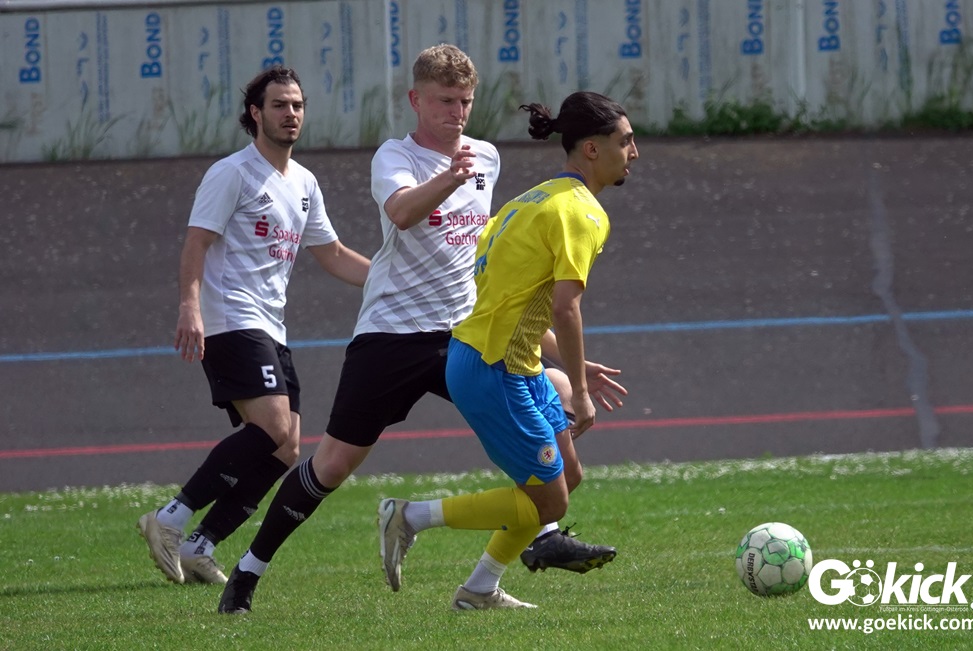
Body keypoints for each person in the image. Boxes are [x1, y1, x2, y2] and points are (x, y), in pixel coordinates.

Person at [218, 45, 622, 613]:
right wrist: (451, 179)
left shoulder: (485, 157)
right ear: (416, 100)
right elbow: (403, 212)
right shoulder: (396, 156)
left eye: (465, 102)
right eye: (443, 101)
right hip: (392, 335)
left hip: (464, 335)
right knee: (332, 465)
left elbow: (500, 283)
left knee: (553, 396)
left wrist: (565, 358)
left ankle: (510, 560)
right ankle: (248, 571)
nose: (456, 113)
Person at [377, 90, 639, 610]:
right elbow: (565, 307)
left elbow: (515, 301)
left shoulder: (530, 200)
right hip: (492, 367)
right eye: (625, 141)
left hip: (507, 360)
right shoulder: (581, 212)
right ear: (592, 148)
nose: (634, 151)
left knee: (567, 477)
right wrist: (580, 391)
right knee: (550, 501)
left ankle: (478, 590)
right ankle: (409, 516)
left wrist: (570, 364)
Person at [136, 65, 369, 585]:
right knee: (273, 428)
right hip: (231, 317)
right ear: (255, 113)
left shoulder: (304, 182)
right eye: (280, 105)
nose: (291, 114)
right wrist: (189, 307)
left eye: (298, 105)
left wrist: (395, 281)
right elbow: (196, 242)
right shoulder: (232, 173)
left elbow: (332, 253)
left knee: (286, 448)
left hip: (271, 325)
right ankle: (170, 518)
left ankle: (201, 545)